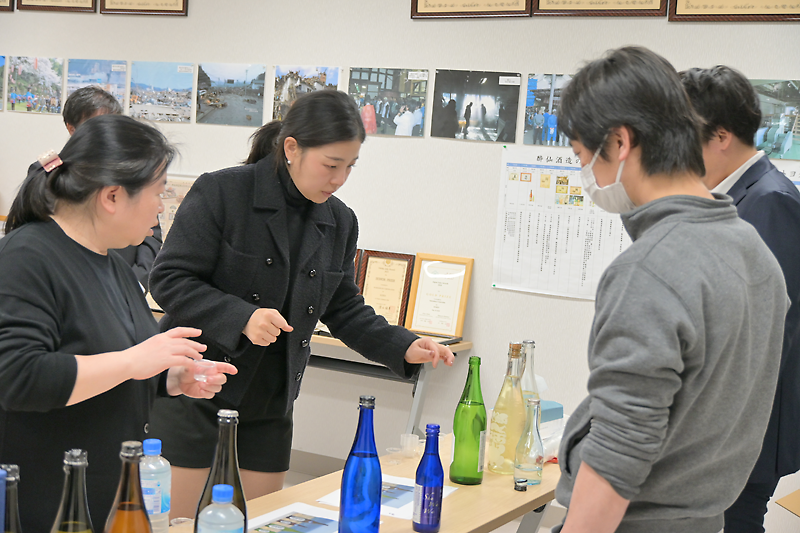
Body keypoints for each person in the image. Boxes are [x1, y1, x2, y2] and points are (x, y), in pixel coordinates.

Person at [147, 90, 455, 517]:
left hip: (271, 404)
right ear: (291, 148)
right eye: (331, 165)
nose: (340, 178)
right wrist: (242, 317)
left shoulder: (339, 220)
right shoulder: (223, 192)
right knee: (180, 524)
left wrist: (402, 345)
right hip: (197, 386)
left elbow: (343, 308)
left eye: (350, 166)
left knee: (261, 522)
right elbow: (169, 278)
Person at [553, 47, 786, 533]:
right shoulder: (754, 252)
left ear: (620, 141)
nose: (585, 174)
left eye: (581, 155)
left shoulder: (650, 269)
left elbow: (617, 454)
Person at [0, 114, 236, 531]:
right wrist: (135, 361)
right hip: (46, 498)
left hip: (108, 493)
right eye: (158, 192)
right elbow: (18, 376)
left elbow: (110, 363)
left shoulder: (114, 264)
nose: (161, 206)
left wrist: (170, 378)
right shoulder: (28, 256)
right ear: (112, 196)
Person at [681, 66, 800, 533]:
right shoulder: (734, 197)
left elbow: (766, 334)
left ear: (722, 136)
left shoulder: (770, 201)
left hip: (742, 435)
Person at [61, 86, 163, 291]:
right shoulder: (55, 174)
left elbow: (152, 232)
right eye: (97, 125)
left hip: (128, 284)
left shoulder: (129, 171)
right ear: (72, 129)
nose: (107, 132)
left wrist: (135, 282)